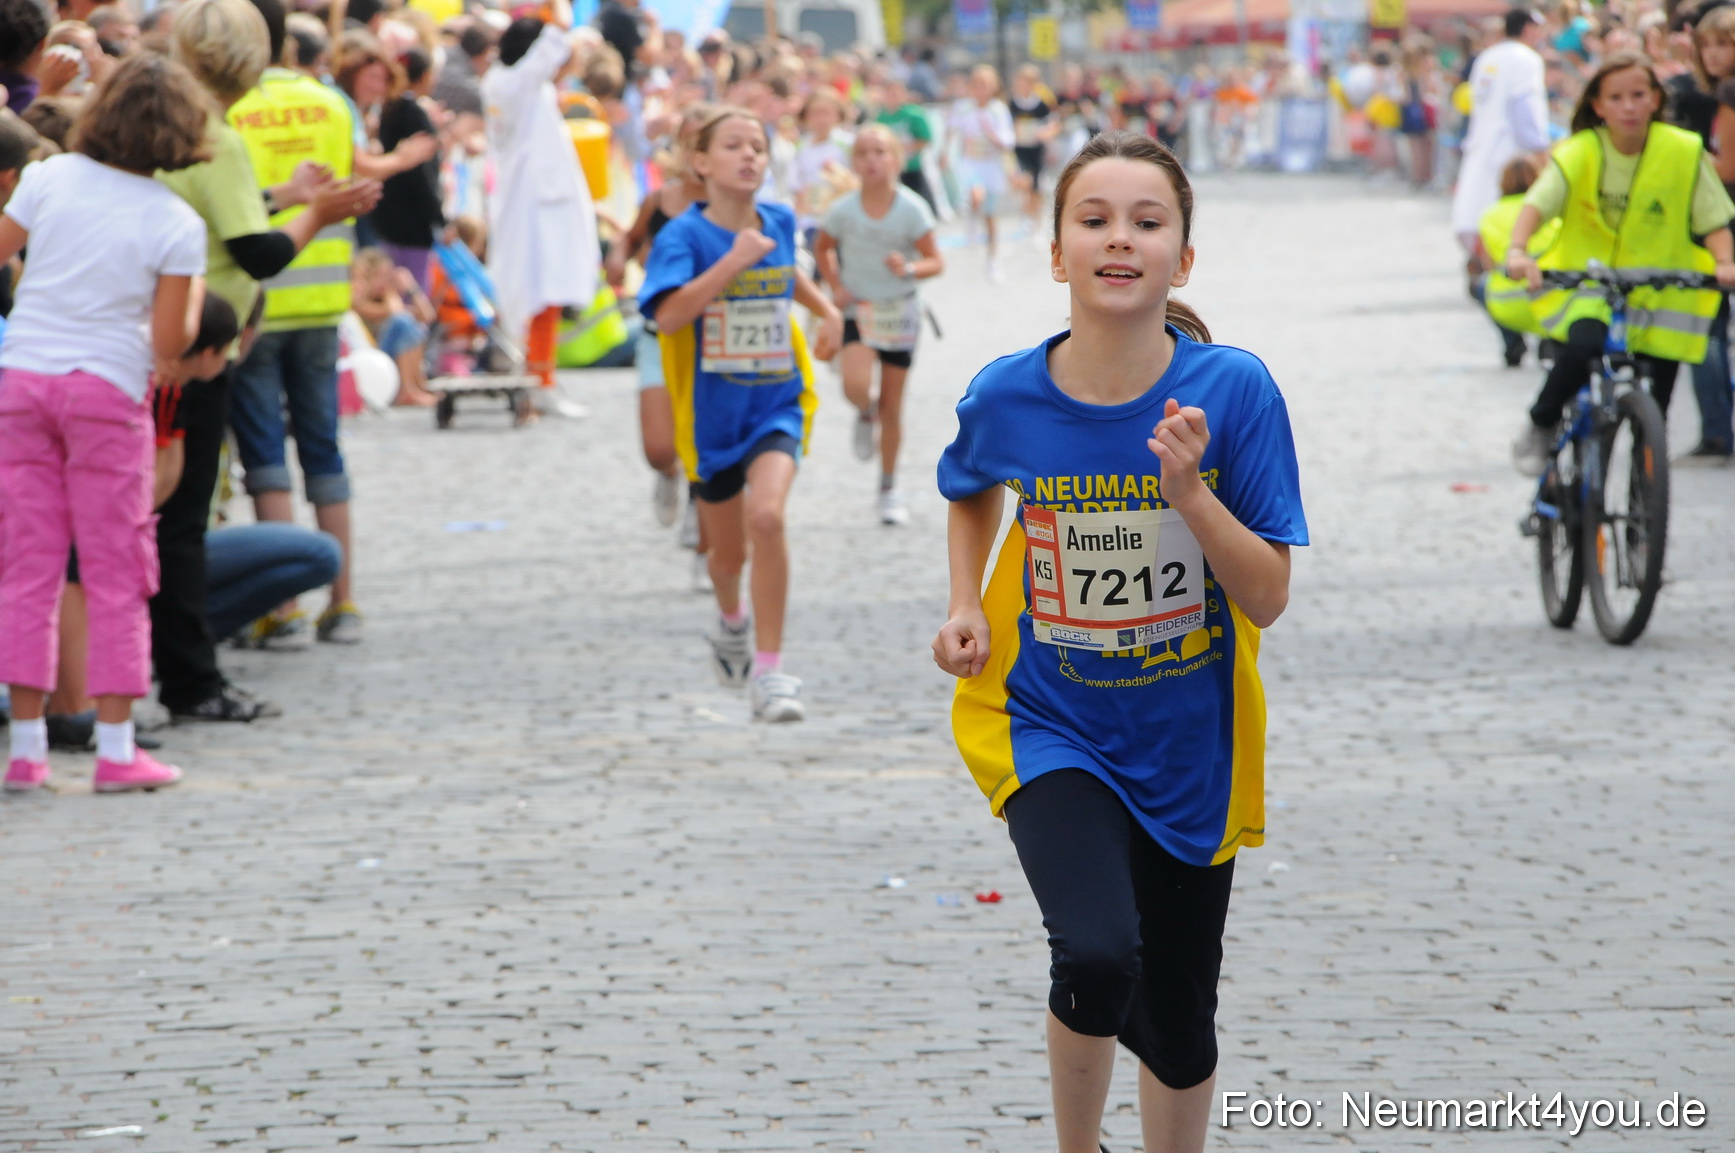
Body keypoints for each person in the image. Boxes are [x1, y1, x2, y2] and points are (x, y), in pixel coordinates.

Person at [931, 130, 1306, 1153]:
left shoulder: (1232, 392)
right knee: (1096, 954)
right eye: (1093, 220)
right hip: (1046, 718)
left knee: (1178, 1022)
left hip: (1191, 740)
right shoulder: (1007, 391)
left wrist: (1190, 491)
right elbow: (968, 486)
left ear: (1182, 258)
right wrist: (966, 601)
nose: (1118, 240)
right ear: (1056, 252)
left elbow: (1267, 596)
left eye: (1147, 222)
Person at [0, 54, 211, 793]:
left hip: (24, 380)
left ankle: (27, 747)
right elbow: (168, 344)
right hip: (104, 392)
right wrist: (191, 298)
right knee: (116, 568)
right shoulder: (177, 222)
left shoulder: (48, 177)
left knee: (27, 565)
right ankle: (117, 747)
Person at [639, 107, 843, 724]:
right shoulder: (683, 235)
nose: (751, 155)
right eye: (734, 146)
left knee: (769, 517)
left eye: (758, 145)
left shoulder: (778, 221)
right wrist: (731, 261)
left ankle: (772, 672)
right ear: (701, 163)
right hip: (711, 420)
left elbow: (787, 275)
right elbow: (667, 316)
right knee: (725, 558)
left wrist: (828, 313)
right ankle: (731, 620)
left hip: (778, 400)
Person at [230, 0, 382, 647]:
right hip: (322, 293)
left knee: (264, 456)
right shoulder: (328, 103)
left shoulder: (231, 108)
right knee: (324, 449)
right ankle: (342, 602)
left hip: (256, 298)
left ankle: (283, 605)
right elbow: (356, 178)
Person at [1506, 55, 1735, 476]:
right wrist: (1518, 251)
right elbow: (1537, 204)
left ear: (1654, 100)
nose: (1628, 106)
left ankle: (1644, 508)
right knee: (1582, 346)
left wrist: (1725, 262)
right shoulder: (1580, 151)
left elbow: (1713, 220)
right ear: (1598, 105)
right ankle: (1542, 420)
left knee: (1656, 412)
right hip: (1586, 284)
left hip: (1662, 289)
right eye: (1616, 97)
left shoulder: (1683, 153)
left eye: (1638, 95)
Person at [814, 125, 943, 526]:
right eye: (863, 153)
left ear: (895, 159)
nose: (871, 160)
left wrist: (908, 267)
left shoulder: (912, 208)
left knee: (894, 405)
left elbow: (935, 261)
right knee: (854, 384)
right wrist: (835, 285)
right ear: (854, 163)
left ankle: (888, 487)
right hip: (858, 310)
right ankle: (864, 410)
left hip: (900, 312)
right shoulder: (843, 210)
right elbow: (821, 247)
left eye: (879, 152)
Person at [605, 102, 710, 548]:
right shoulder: (660, 200)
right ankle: (669, 475)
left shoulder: (739, 208)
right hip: (660, 336)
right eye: (694, 142)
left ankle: (702, 520)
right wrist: (617, 259)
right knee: (659, 448)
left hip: (715, 340)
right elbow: (627, 243)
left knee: (706, 446)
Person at [482, 0, 600, 394]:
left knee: (546, 292)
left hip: (537, 197)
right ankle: (538, 377)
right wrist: (557, 13)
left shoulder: (513, 81)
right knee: (537, 290)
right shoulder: (514, 82)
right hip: (534, 202)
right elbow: (552, 46)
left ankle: (541, 375)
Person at [1667, 4, 1735, 463]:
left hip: (1723, 219)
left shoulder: (1730, 92)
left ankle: (1717, 430)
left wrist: (1678, 157)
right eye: (1705, 45)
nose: (1712, 54)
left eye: (1723, 43)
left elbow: (1728, 166)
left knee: (1708, 325)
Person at [1450, 9, 1549, 256]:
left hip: (1483, 144)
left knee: (1479, 211)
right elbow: (1525, 106)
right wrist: (1539, 148)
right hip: (1512, 150)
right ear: (1528, 29)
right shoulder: (1526, 58)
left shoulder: (1488, 57)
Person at [369, 46, 444, 296]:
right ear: (424, 76)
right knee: (413, 294)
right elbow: (422, 175)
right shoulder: (411, 112)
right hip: (413, 222)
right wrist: (438, 215)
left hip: (387, 216)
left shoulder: (389, 108)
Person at [1475, 157, 1558, 367]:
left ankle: (1512, 340)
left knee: (1479, 284)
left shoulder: (1490, 214)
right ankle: (1550, 340)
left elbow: (1487, 264)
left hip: (1507, 303)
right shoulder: (1551, 211)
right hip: (1550, 301)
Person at [949, 64, 1015, 283]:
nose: (981, 89)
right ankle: (970, 219)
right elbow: (952, 129)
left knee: (991, 215)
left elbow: (1007, 141)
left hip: (992, 166)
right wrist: (945, 152)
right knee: (976, 195)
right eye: (976, 84)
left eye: (985, 85)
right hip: (971, 164)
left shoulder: (998, 110)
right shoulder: (963, 108)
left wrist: (991, 135)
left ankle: (993, 260)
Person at [351, 246, 436, 405]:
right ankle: (407, 391)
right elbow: (395, 313)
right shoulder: (359, 303)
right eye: (380, 276)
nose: (386, 281)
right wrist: (390, 292)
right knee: (402, 322)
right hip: (370, 365)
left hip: (382, 363)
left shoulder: (387, 301)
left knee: (413, 326)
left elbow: (427, 315)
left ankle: (418, 385)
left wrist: (412, 288)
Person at [789, 87, 853, 248]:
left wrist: (839, 175)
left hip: (843, 220)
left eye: (826, 113)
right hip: (812, 221)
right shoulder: (800, 147)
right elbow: (794, 183)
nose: (821, 119)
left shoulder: (848, 144)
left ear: (838, 115)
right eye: (815, 113)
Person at [1009, 63, 1058, 236]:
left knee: (1036, 186)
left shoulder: (1040, 104)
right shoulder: (1013, 103)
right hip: (1019, 148)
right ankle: (1027, 217)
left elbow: (1053, 123)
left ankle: (1035, 218)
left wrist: (1045, 133)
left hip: (1036, 148)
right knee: (1025, 182)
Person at [875, 77, 935, 212]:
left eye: (897, 93)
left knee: (920, 203)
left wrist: (906, 148)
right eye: (890, 93)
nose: (894, 97)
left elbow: (925, 138)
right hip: (890, 168)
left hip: (912, 166)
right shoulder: (880, 117)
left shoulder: (914, 114)